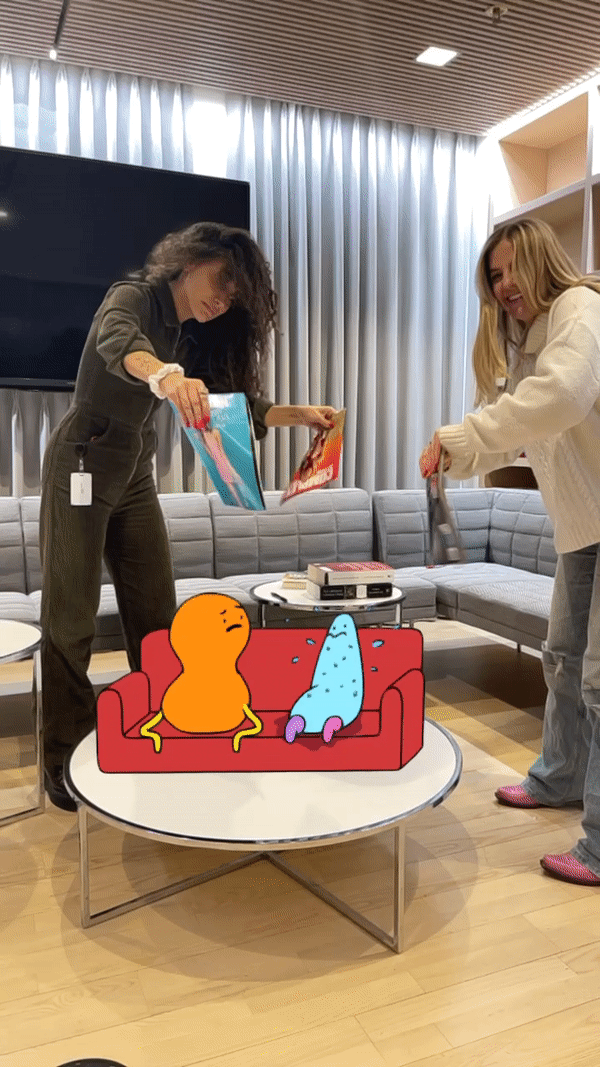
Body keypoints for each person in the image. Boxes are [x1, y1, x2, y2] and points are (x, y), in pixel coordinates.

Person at [40, 221, 336, 811]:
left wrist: (301, 414)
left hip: (133, 473)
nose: (223, 299)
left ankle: (165, 725)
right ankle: (63, 757)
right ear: (191, 260)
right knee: (70, 618)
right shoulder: (134, 296)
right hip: (82, 463)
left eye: (235, 294)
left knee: (157, 616)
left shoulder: (191, 332)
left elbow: (236, 403)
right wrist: (164, 374)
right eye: (221, 282)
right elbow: (119, 342)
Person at [419, 217, 600, 886]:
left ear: (541, 259)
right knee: (563, 657)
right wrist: (455, 452)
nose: (503, 285)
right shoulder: (525, 342)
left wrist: (461, 436)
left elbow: (561, 397)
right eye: (493, 276)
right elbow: (515, 431)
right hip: (584, 524)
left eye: (511, 268)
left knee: (599, 677)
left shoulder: (580, 309)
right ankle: (560, 777)